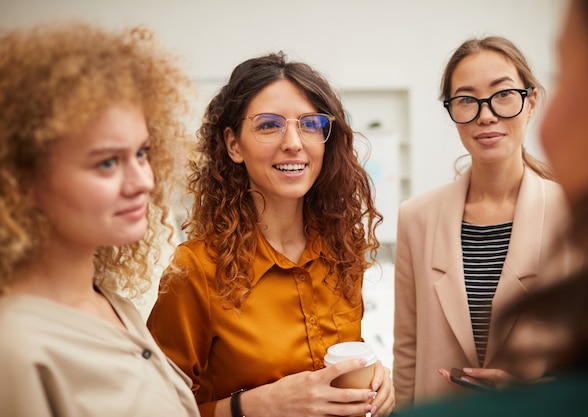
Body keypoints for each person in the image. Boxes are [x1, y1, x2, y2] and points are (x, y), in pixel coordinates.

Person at [396, 0, 588, 415]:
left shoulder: (581, 215)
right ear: (451, 112)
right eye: (466, 100)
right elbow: (407, 353)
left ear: (532, 101)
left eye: (503, 94)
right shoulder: (417, 216)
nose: (486, 115)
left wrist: (527, 392)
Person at [146, 52, 395, 417]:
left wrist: (378, 380)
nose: (294, 142)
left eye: (310, 124)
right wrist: (252, 406)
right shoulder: (196, 271)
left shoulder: (342, 252)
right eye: (268, 125)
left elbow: (342, 363)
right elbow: (151, 408)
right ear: (234, 145)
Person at [0, 21, 200, 417]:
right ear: (20, 181)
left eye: (142, 153)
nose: (143, 180)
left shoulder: (114, 305)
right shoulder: (16, 349)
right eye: (107, 162)